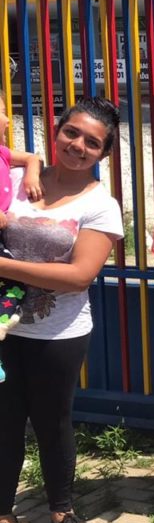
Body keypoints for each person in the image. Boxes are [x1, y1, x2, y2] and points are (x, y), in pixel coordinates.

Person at [0, 97, 123, 523]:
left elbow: (78, 276)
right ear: (57, 131)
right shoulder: (16, 180)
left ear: (103, 153)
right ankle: (3, 515)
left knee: (53, 423)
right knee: (4, 422)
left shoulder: (101, 205)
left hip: (59, 333)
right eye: (72, 132)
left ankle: (61, 510)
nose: (77, 145)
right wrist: (29, 162)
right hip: (3, 330)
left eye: (92, 142)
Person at [0, 94, 44, 384]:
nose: (7, 120)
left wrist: (31, 176)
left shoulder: (3, 153)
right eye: (1, 113)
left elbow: (32, 157)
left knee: (14, 283)